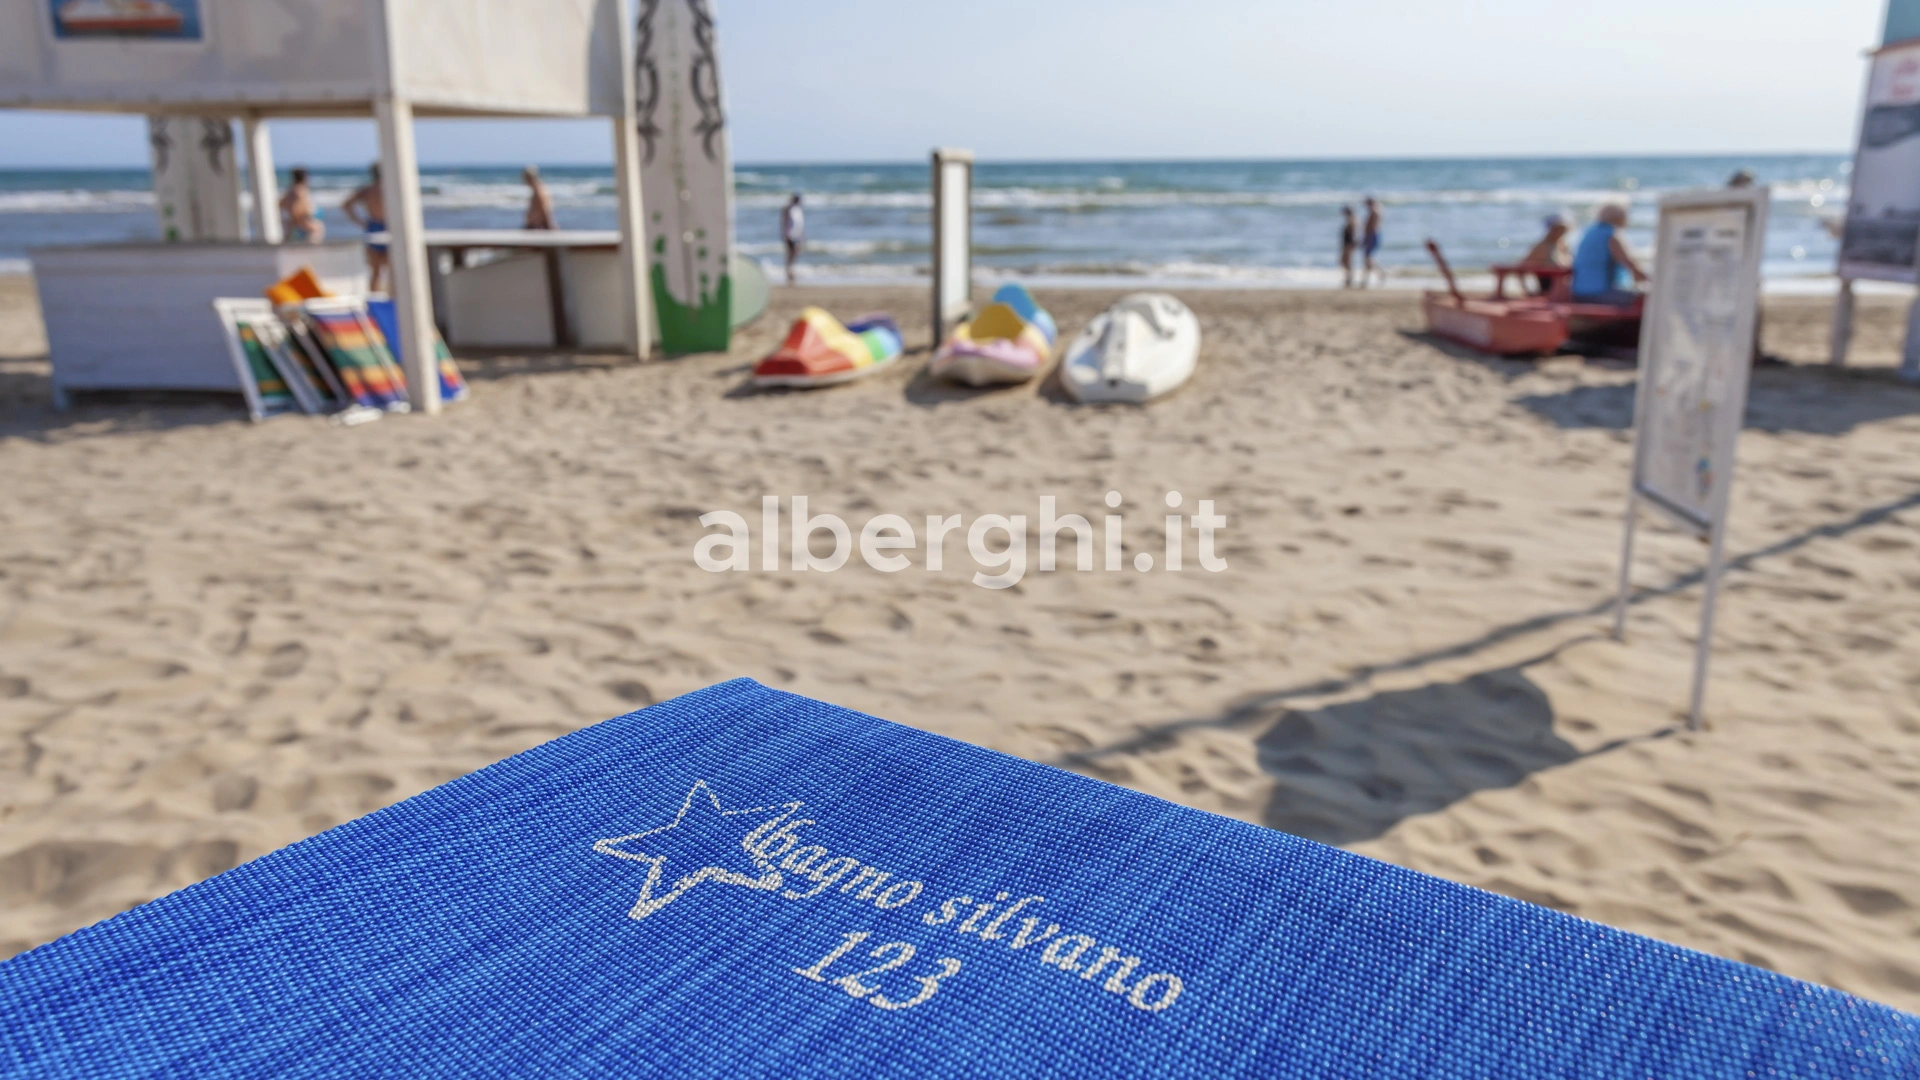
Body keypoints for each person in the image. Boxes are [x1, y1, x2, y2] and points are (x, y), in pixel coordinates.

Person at [1570, 203, 1648, 305]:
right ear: (1620, 217)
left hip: (1578, 292)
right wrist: (1652, 279)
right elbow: (1629, 263)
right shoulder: (1611, 235)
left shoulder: (1589, 232)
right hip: (1599, 293)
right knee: (1646, 298)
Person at [340, 164, 388, 292]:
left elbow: (346, 205)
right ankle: (391, 298)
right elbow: (345, 205)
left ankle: (376, 299)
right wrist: (360, 222)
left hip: (373, 227)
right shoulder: (390, 189)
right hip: (387, 226)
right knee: (391, 269)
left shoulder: (367, 190)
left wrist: (359, 222)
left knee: (375, 271)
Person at [1518, 213, 1572, 294]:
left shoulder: (1562, 245)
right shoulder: (1542, 247)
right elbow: (1521, 268)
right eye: (1558, 229)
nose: (1561, 233)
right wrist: (1526, 290)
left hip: (1564, 290)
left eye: (1563, 230)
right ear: (1551, 229)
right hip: (1548, 290)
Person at [279, 168, 323, 244]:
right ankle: (311, 247)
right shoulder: (300, 190)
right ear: (304, 177)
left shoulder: (290, 190)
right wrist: (301, 218)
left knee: (288, 237)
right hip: (301, 220)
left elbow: (281, 203)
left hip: (294, 221)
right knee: (318, 229)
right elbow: (295, 207)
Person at [781, 193, 805, 285]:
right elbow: (784, 222)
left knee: (795, 254)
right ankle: (789, 272)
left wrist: (802, 236)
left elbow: (800, 225)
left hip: (797, 235)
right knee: (790, 254)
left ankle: (791, 271)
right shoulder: (788, 209)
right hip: (790, 235)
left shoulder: (798, 210)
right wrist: (784, 234)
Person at [523, 166, 556, 230]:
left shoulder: (539, 191)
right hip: (535, 225)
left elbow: (544, 209)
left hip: (537, 226)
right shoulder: (539, 189)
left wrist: (550, 225)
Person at [1360, 197, 1383, 288]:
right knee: (1367, 258)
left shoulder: (1374, 212)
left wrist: (1366, 238)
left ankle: (1379, 274)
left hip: (1371, 236)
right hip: (1371, 236)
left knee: (1368, 258)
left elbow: (1372, 227)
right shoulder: (1375, 211)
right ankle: (1366, 279)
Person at [1339, 206, 1358, 288]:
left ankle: (1349, 279)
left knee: (1347, 261)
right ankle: (1348, 279)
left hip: (1349, 244)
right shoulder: (1352, 220)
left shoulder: (1352, 220)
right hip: (1347, 243)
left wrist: (1351, 245)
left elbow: (1353, 234)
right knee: (1345, 261)